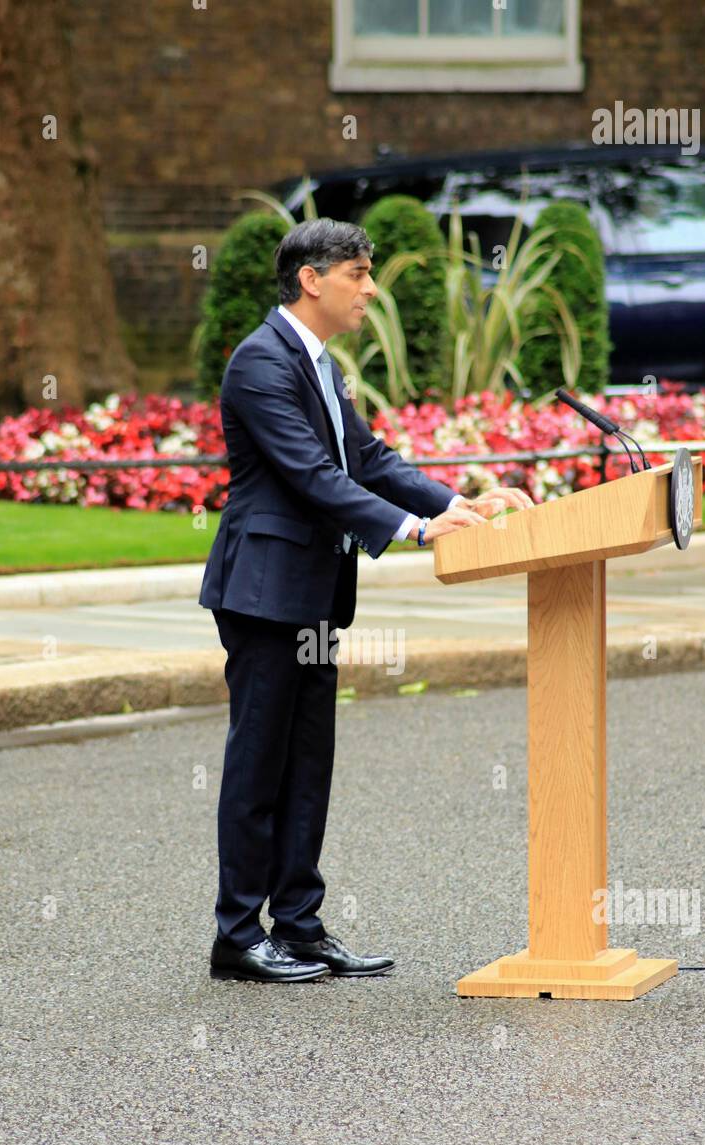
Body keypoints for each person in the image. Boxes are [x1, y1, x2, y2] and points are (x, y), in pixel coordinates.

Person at [199, 218, 533, 983]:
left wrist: (458, 503)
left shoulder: (318, 364)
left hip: (314, 594)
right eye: (358, 273)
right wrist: (417, 530)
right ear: (311, 279)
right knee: (259, 764)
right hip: (263, 594)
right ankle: (237, 937)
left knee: (308, 761)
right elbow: (313, 475)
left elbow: (370, 458)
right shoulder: (260, 363)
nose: (371, 288)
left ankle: (299, 925)